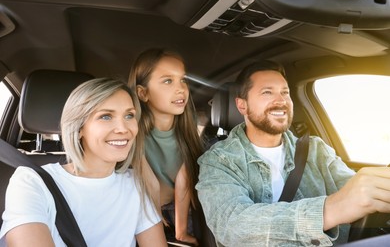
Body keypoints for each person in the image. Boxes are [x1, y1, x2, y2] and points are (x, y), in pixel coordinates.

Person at [195, 60, 390, 246]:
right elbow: (232, 225)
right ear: (242, 105)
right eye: (267, 92)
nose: (281, 101)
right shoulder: (218, 161)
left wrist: (376, 190)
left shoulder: (315, 149)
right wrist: (329, 210)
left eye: (285, 93)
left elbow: (353, 189)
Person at [0, 78, 167, 247]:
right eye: (106, 116)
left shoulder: (136, 185)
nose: (123, 128)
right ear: (79, 128)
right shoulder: (31, 181)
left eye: (129, 115)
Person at [128, 48, 204, 246]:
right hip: (144, 208)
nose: (181, 89)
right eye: (168, 81)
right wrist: (155, 225)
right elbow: (148, 183)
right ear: (143, 93)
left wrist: (181, 232)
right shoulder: (133, 132)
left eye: (183, 80)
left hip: (181, 208)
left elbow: (184, 180)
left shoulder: (186, 132)